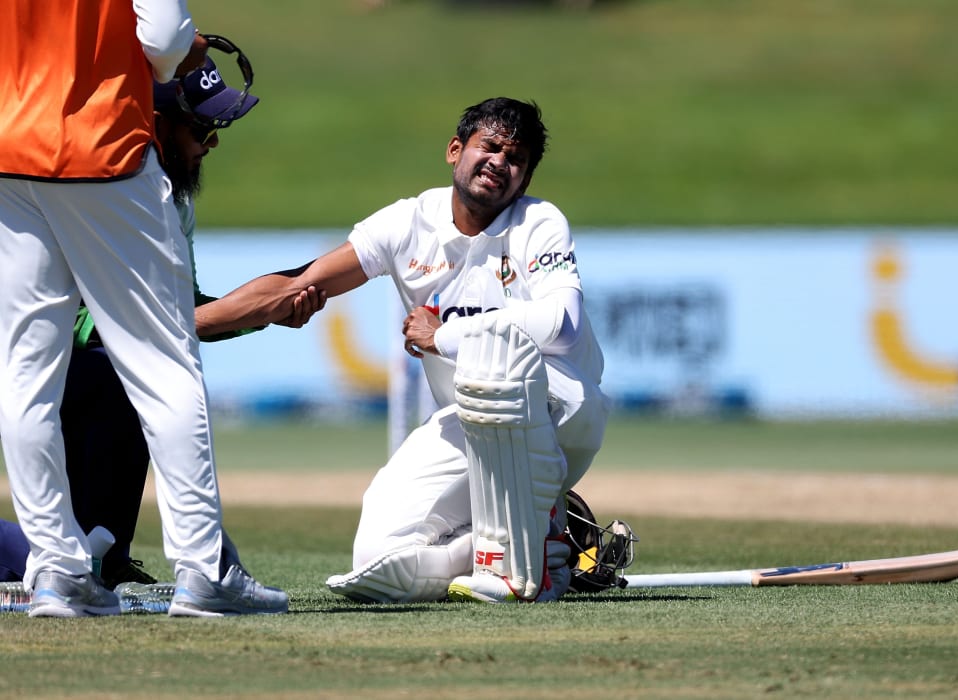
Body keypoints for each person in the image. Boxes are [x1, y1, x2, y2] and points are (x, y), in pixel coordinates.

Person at [194, 96, 609, 603]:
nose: (501, 162)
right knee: (376, 555)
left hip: (563, 409)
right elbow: (300, 282)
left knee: (501, 372)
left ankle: (533, 549)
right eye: (491, 146)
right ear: (455, 151)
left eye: (516, 158)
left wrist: (444, 336)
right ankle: (527, 541)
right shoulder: (407, 224)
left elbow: (562, 325)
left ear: (525, 180)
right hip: (470, 417)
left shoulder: (539, 223)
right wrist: (188, 325)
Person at [0, 1, 296, 617]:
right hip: (103, 144)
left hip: (11, 147)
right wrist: (175, 57)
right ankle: (204, 568)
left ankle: (57, 570)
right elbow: (163, 38)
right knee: (164, 366)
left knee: (26, 374)